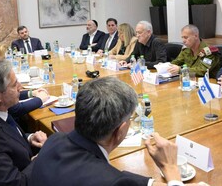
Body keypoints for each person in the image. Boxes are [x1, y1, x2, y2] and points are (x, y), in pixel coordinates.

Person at [29, 77, 185, 186]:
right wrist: (171, 170)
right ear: (121, 130)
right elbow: (109, 179)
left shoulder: (55, 139)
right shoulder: (109, 181)